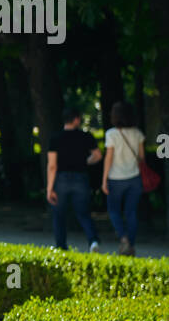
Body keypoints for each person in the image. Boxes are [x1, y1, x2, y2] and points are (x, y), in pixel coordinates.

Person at [46, 107, 103, 252]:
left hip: (61, 179)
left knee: (59, 215)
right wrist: (86, 161)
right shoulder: (86, 136)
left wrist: (49, 188)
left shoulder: (55, 138)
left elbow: (52, 165)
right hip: (81, 178)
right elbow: (97, 155)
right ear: (77, 119)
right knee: (83, 213)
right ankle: (93, 241)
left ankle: (61, 247)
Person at [102, 101, 146, 256]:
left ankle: (124, 239)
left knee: (113, 210)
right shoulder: (137, 133)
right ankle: (131, 245)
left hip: (116, 178)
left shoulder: (111, 134)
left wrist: (104, 179)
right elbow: (141, 157)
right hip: (134, 178)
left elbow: (109, 158)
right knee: (131, 212)